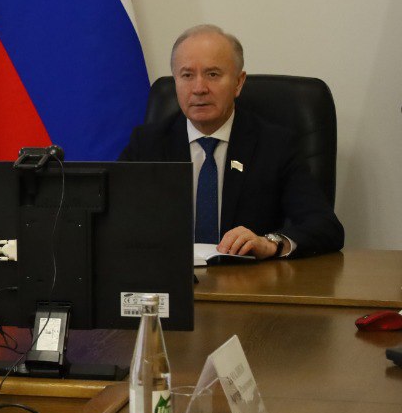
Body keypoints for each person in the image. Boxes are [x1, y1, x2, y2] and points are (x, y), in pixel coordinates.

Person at [119, 24, 344, 259]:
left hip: (248, 278)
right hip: (170, 275)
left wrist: (270, 243)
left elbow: (325, 227)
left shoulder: (275, 145)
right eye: (187, 75)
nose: (199, 88)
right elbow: (113, 218)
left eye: (213, 74)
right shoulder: (148, 144)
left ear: (238, 82)